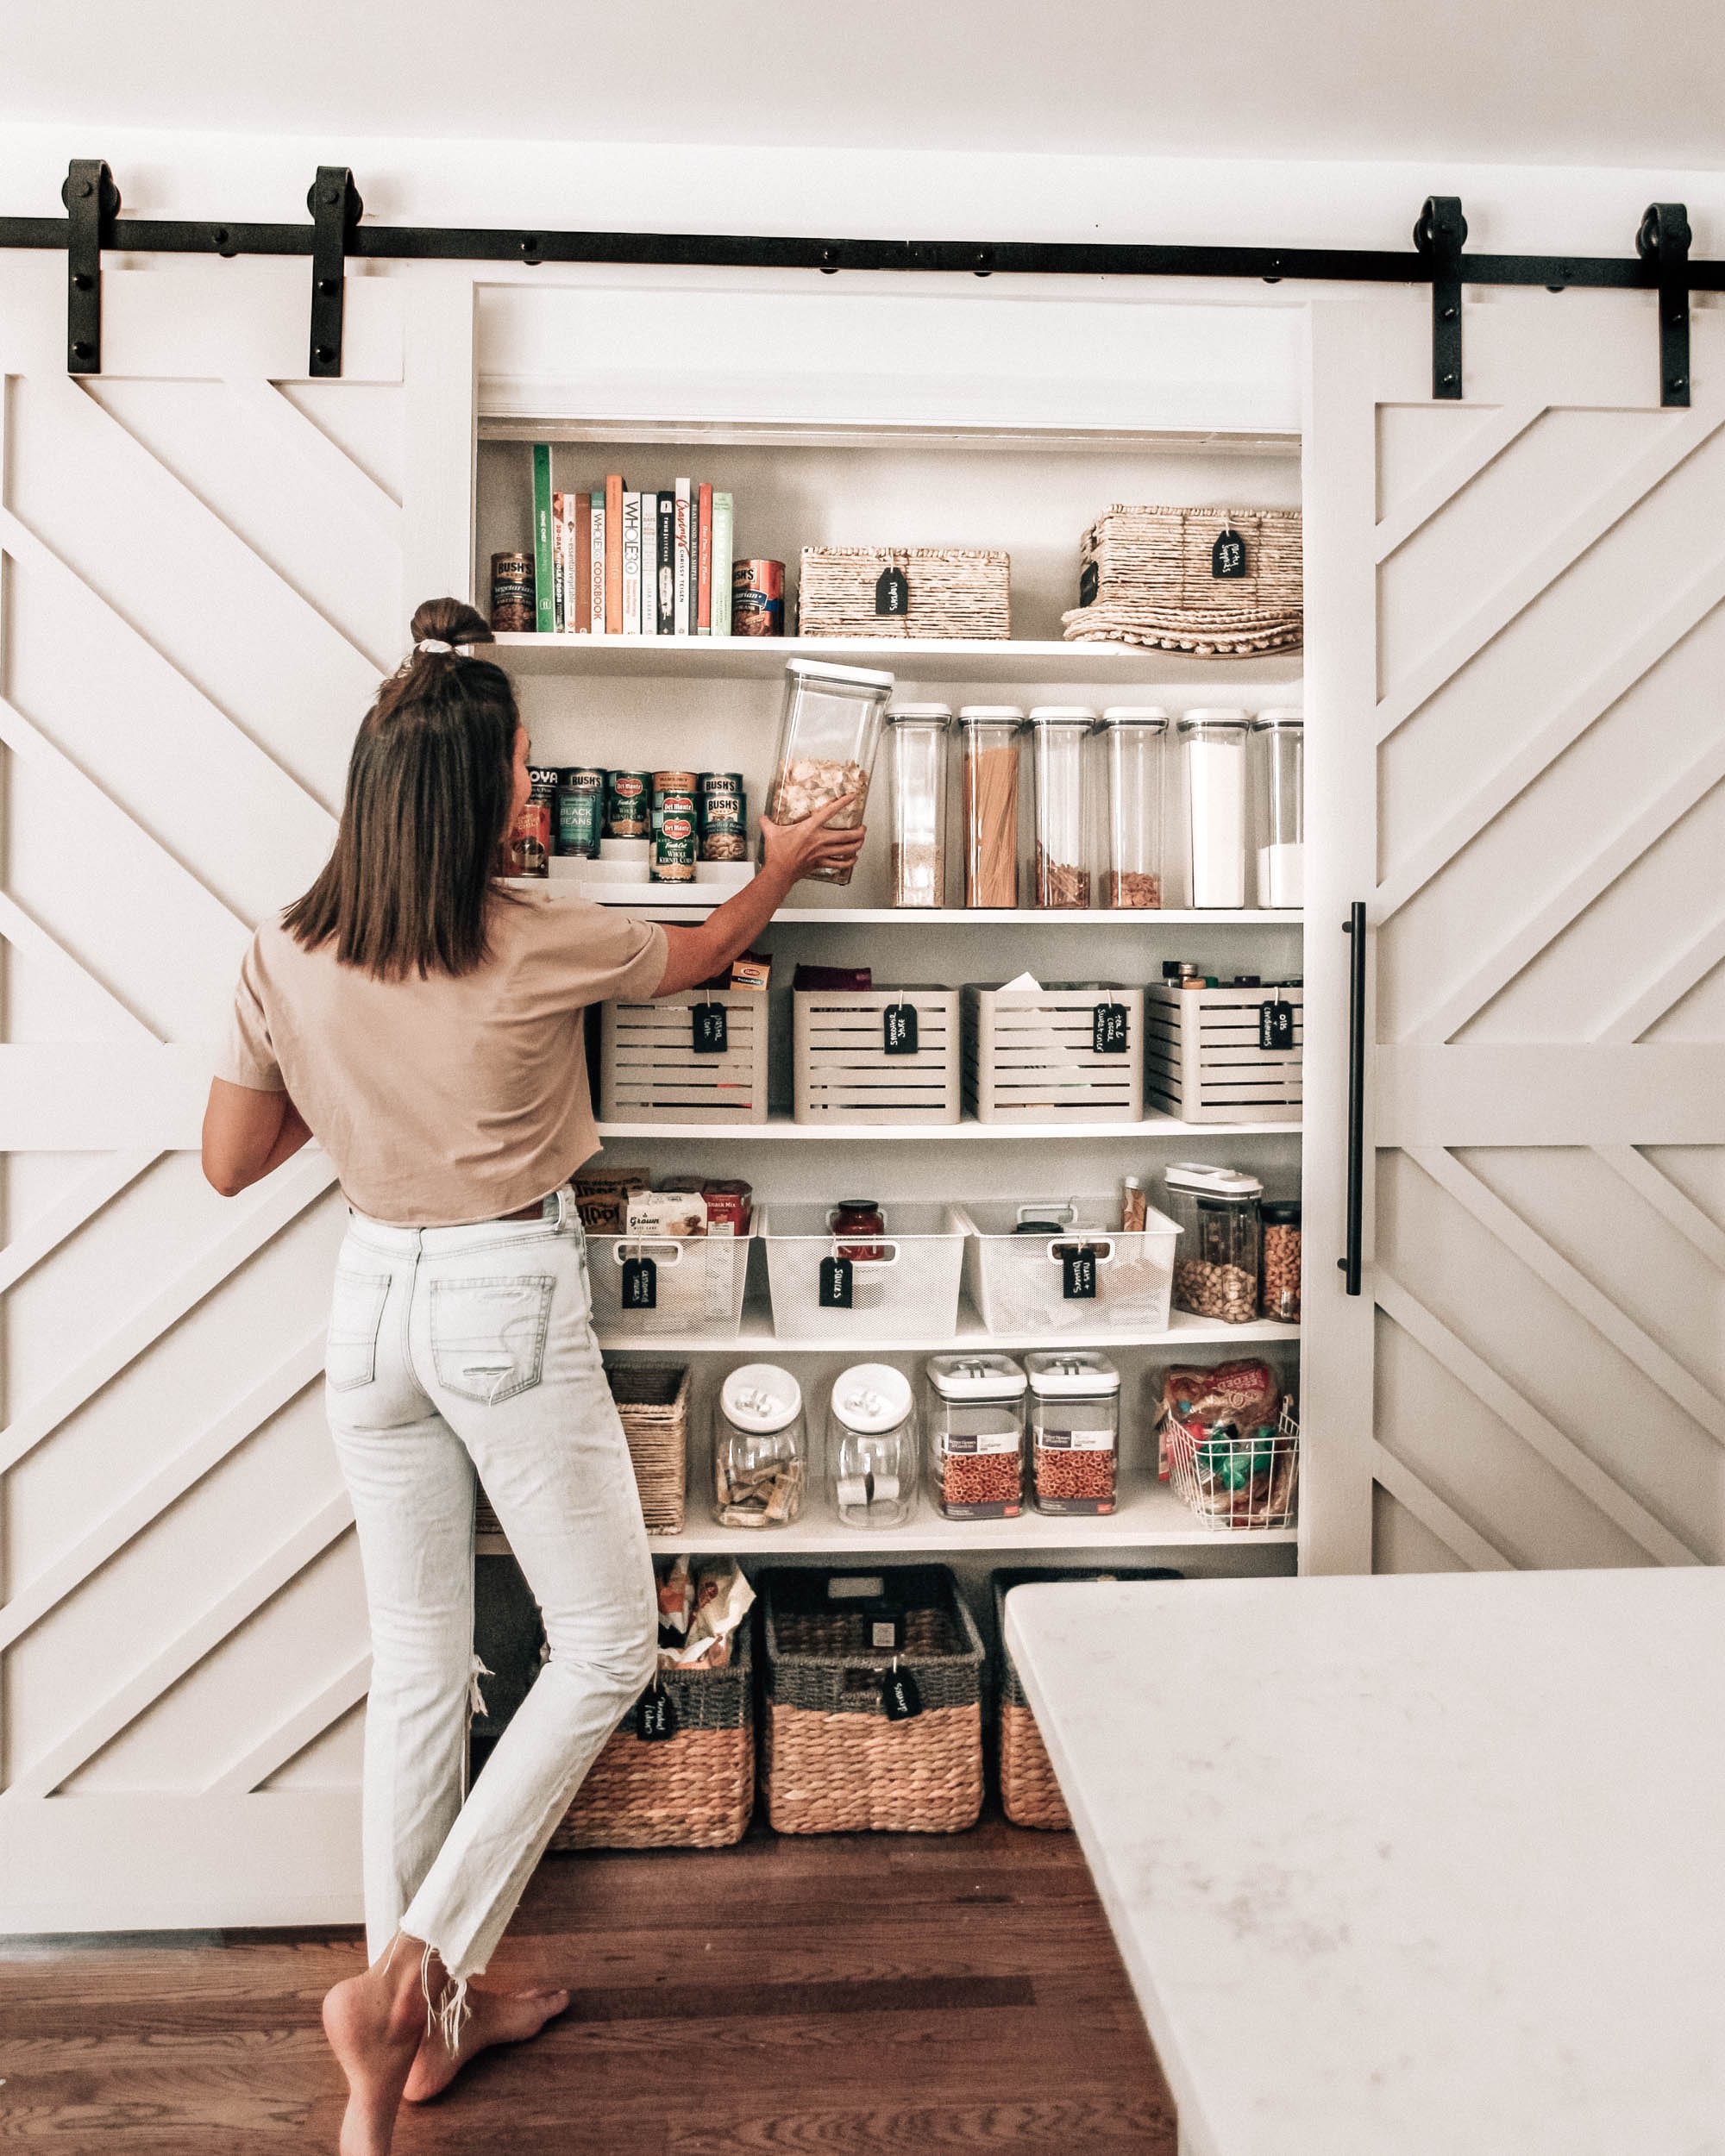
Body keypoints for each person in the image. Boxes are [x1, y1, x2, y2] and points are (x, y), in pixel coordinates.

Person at [201, 597, 862, 2156]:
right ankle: (416, 1975)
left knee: (424, 1661)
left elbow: (234, 1159)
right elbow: (707, 950)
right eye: (517, 778)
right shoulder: (534, 930)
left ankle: (420, 2021)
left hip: (368, 1303)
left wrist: (356, 1090)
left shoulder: (284, 951)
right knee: (608, 1643)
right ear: (462, 793)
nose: (532, 802)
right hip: (501, 1293)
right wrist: (784, 855)